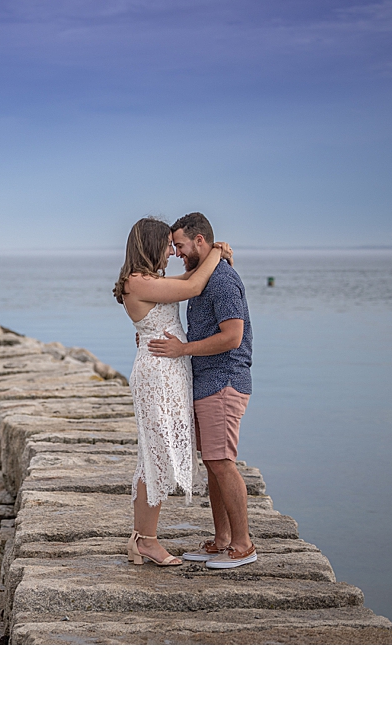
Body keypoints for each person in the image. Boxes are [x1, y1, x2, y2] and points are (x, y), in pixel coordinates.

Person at [112, 217, 229, 566]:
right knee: (156, 453)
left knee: (154, 453)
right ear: (149, 245)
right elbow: (193, 288)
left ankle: (141, 539)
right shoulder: (137, 282)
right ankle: (146, 540)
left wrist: (213, 257)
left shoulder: (150, 280)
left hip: (170, 371)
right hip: (158, 373)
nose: (170, 250)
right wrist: (218, 251)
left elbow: (188, 281)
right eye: (165, 244)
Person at [148, 212, 256, 569]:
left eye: (179, 245)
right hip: (207, 382)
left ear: (199, 240)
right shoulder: (204, 276)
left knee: (222, 462)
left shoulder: (223, 280)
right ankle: (223, 539)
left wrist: (182, 350)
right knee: (212, 464)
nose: (177, 252)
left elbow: (233, 336)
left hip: (224, 381)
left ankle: (243, 545)